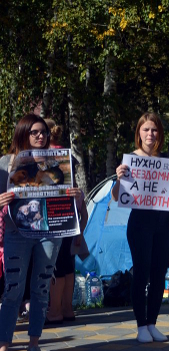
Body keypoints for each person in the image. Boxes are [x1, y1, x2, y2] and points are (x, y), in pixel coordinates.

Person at [0, 114, 80, 351]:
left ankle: (34, 344)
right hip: (16, 232)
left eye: (43, 132)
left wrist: (74, 196)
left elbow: (69, 198)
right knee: (13, 290)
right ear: (23, 132)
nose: (40, 136)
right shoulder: (6, 162)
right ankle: (3, 347)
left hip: (50, 231)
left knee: (41, 288)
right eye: (34, 132)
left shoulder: (58, 161)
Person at [112, 112, 169, 343]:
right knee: (142, 272)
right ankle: (140, 325)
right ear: (139, 133)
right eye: (146, 129)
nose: (150, 134)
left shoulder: (168, 160)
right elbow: (117, 196)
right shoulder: (130, 161)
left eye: (155, 130)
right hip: (140, 224)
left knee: (159, 273)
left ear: (160, 133)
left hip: (164, 224)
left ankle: (152, 323)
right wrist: (119, 179)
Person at [45, 119, 88, 324]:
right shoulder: (67, 155)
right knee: (68, 266)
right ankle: (67, 308)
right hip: (71, 216)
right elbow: (77, 193)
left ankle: (54, 311)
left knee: (56, 268)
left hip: (54, 218)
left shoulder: (42, 156)